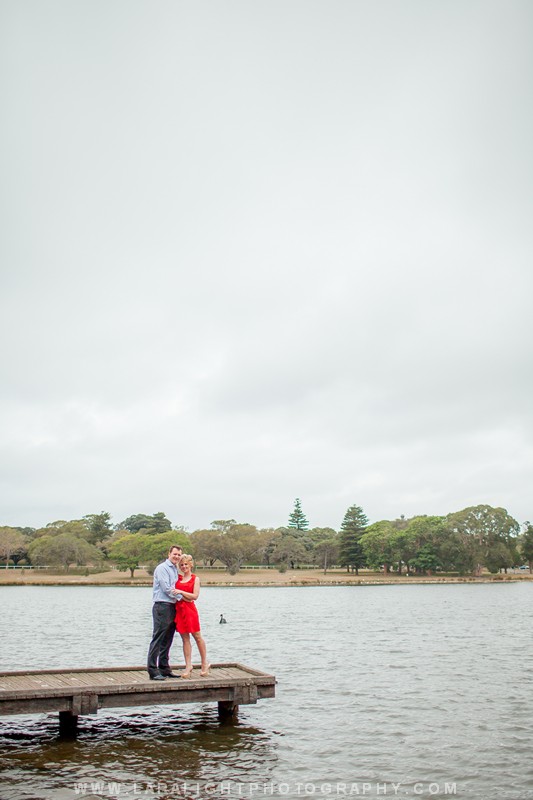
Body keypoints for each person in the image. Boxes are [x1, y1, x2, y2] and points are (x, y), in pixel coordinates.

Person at [147, 545, 183, 680]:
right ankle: (152, 670)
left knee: (168, 638)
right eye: (175, 554)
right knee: (158, 637)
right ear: (169, 554)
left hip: (172, 606)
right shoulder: (162, 568)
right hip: (162, 606)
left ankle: (164, 668)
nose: (177, 557)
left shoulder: (174, 569)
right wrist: (183, 597)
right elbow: (167, 588)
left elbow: (175, 587)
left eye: (179, 555)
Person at [174, 554, 210, 678]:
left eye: (186, 564)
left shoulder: (195, 579)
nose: (184, 567)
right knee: (185, 639)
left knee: (197, 636)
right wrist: (183, 596)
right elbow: (174, 594)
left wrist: (181, 593)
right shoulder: (177, 579)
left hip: (190, 611)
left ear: (191, 565)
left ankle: (204, 663)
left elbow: (194, 596)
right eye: (182, 565)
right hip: (179, 610)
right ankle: (188, 665)